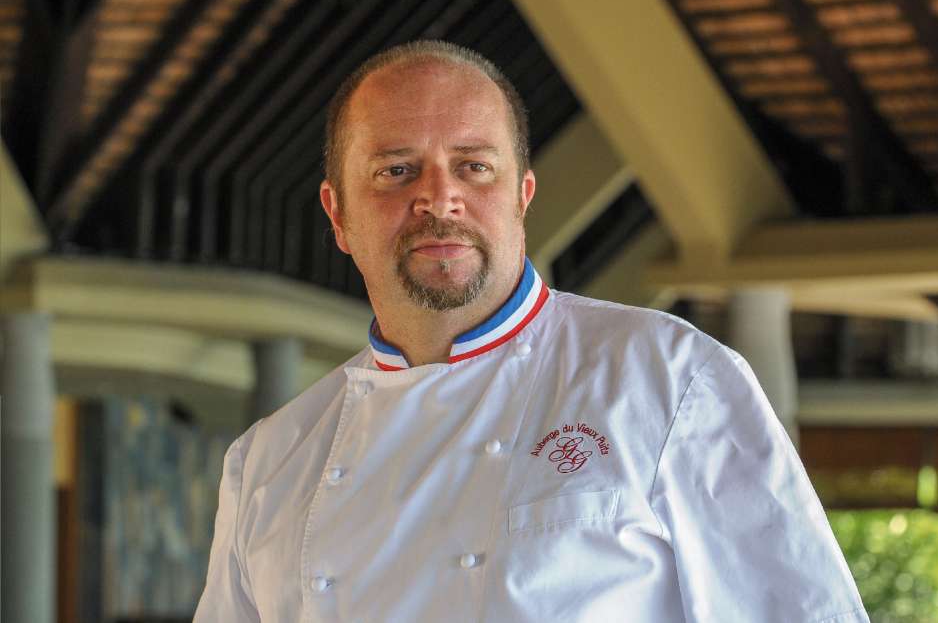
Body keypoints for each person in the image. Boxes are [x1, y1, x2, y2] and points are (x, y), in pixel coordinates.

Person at [195, 40, 868, 622]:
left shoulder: (670, 379)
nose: (439, 197)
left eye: (474, 166)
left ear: (522, 195)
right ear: (338, 214)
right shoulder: (269, 462)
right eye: (396, 170)